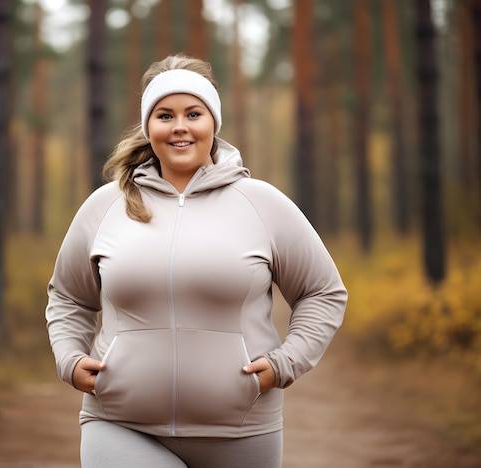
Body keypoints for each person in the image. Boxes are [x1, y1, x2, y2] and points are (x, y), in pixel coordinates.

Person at [45, 54, 347, 468]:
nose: (180, 127)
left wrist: (282, 365)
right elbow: (68, 296)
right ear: (149, 126)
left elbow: (323, 292)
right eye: (165, 115)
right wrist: (70, 359)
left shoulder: (261, 203)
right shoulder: (106, 206)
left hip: (242, 430)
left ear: (213, 122)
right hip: (119, 423)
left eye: (193, 113)